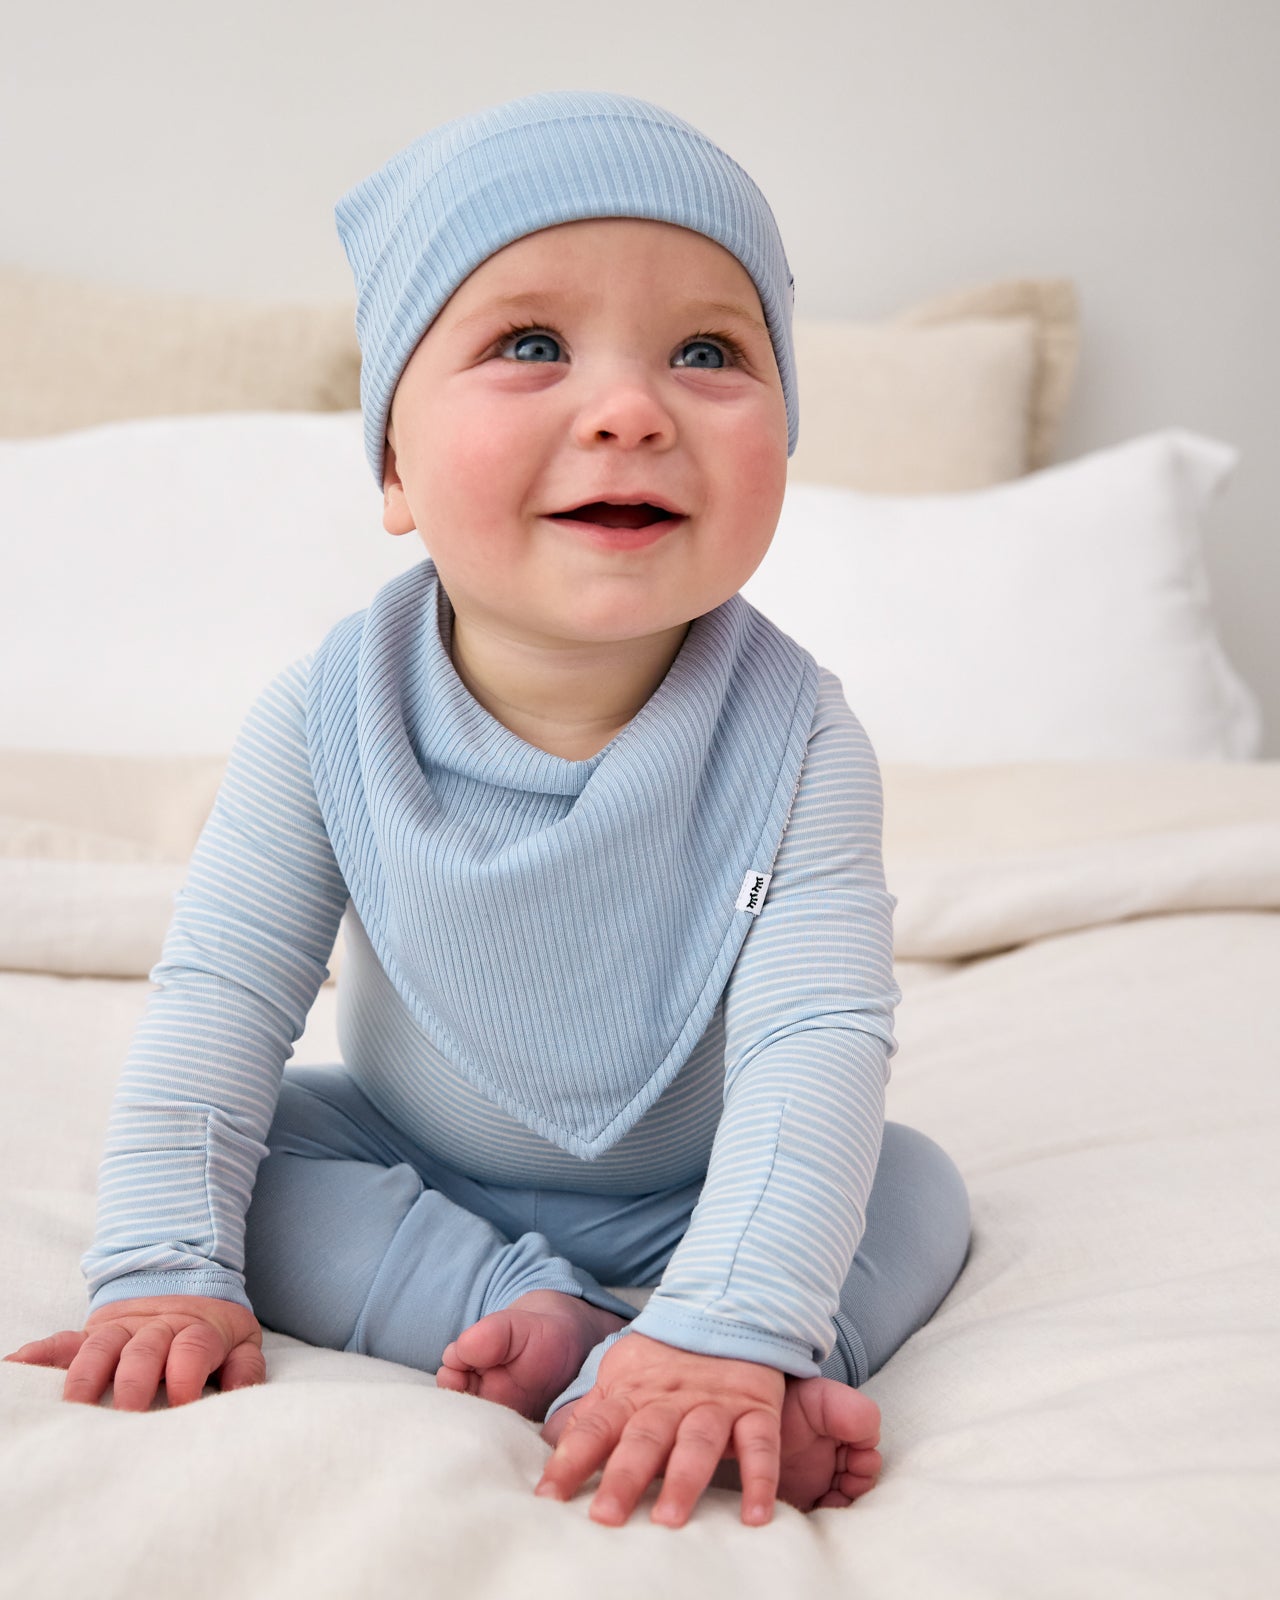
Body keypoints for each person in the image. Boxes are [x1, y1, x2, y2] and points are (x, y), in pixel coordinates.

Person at [4, 90, 970, 1529]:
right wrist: (161, 1269)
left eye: (708, 350)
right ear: (392, 467)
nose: (631, 406)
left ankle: (727, 1362)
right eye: (531, 345)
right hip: (415, 1148)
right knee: (244, 1164)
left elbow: (809, 1045)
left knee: (906, 1183)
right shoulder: (326, 718)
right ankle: (535, 1319)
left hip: (697, 1179)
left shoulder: (799, 738)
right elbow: (220, 999)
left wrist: (734, 1316)